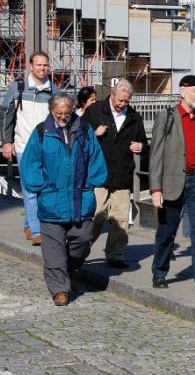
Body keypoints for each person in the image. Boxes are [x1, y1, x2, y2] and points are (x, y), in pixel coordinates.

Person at [20, 93, 107, 306]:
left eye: (67, 112)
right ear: (52, 111)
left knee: (83, 239)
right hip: (52, 201)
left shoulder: (85, 130)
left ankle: (69, 270)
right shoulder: (42, 132)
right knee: (53, 250)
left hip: (80, 199)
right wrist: (42, 187)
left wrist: (91, 183)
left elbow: (96, 159)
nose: (63, 116)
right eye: (59, 113)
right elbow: (30, 164)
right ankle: (60, 289)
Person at [149, 75, 195, 295]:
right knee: (167, 231)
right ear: (183, 92)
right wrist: (155, 189)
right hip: (171, 181)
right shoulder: (167, 117)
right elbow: (156, 155)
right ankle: (159, 271)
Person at [84, 80, 146, 269]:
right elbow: (78, 136)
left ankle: (115, 254)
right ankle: (80, 250)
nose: (122, 104)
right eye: (120, 100)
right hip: (98, 173)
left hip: (122, 173)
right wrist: (94, 134)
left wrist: (140, 147)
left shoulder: (135, 117)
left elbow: (143, 143)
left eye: (126, 101)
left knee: (120, 218)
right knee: (95, 216)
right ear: (112, 95)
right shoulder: (95, 111)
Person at [1, 51, 58, 246]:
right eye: (39, 65)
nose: (42, 69)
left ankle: (29, 224)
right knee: (30, 188)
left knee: (43, 188)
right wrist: (6, 142)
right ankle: (36, 230)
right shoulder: (18, 88)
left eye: (45, 65)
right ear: (31, 67)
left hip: (47, 148)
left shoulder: (53, 91)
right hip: (24, 145)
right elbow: (6, 116)